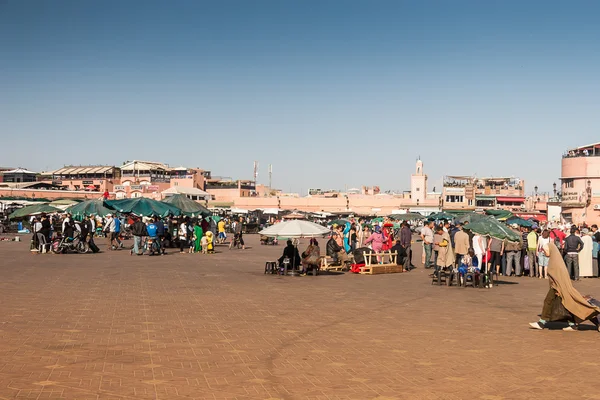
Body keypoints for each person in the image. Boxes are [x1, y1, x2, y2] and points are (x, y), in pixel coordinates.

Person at [529, 242, 600, 331]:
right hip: (559, 288)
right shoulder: (555, 260)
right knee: (566, 305)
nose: (543, 252)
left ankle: (541, 323)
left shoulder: (556, 262)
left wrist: (559, 289)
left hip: (558, 288)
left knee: (549, 302)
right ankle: (572, 325)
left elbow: (559, 277)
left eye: (545, 250)